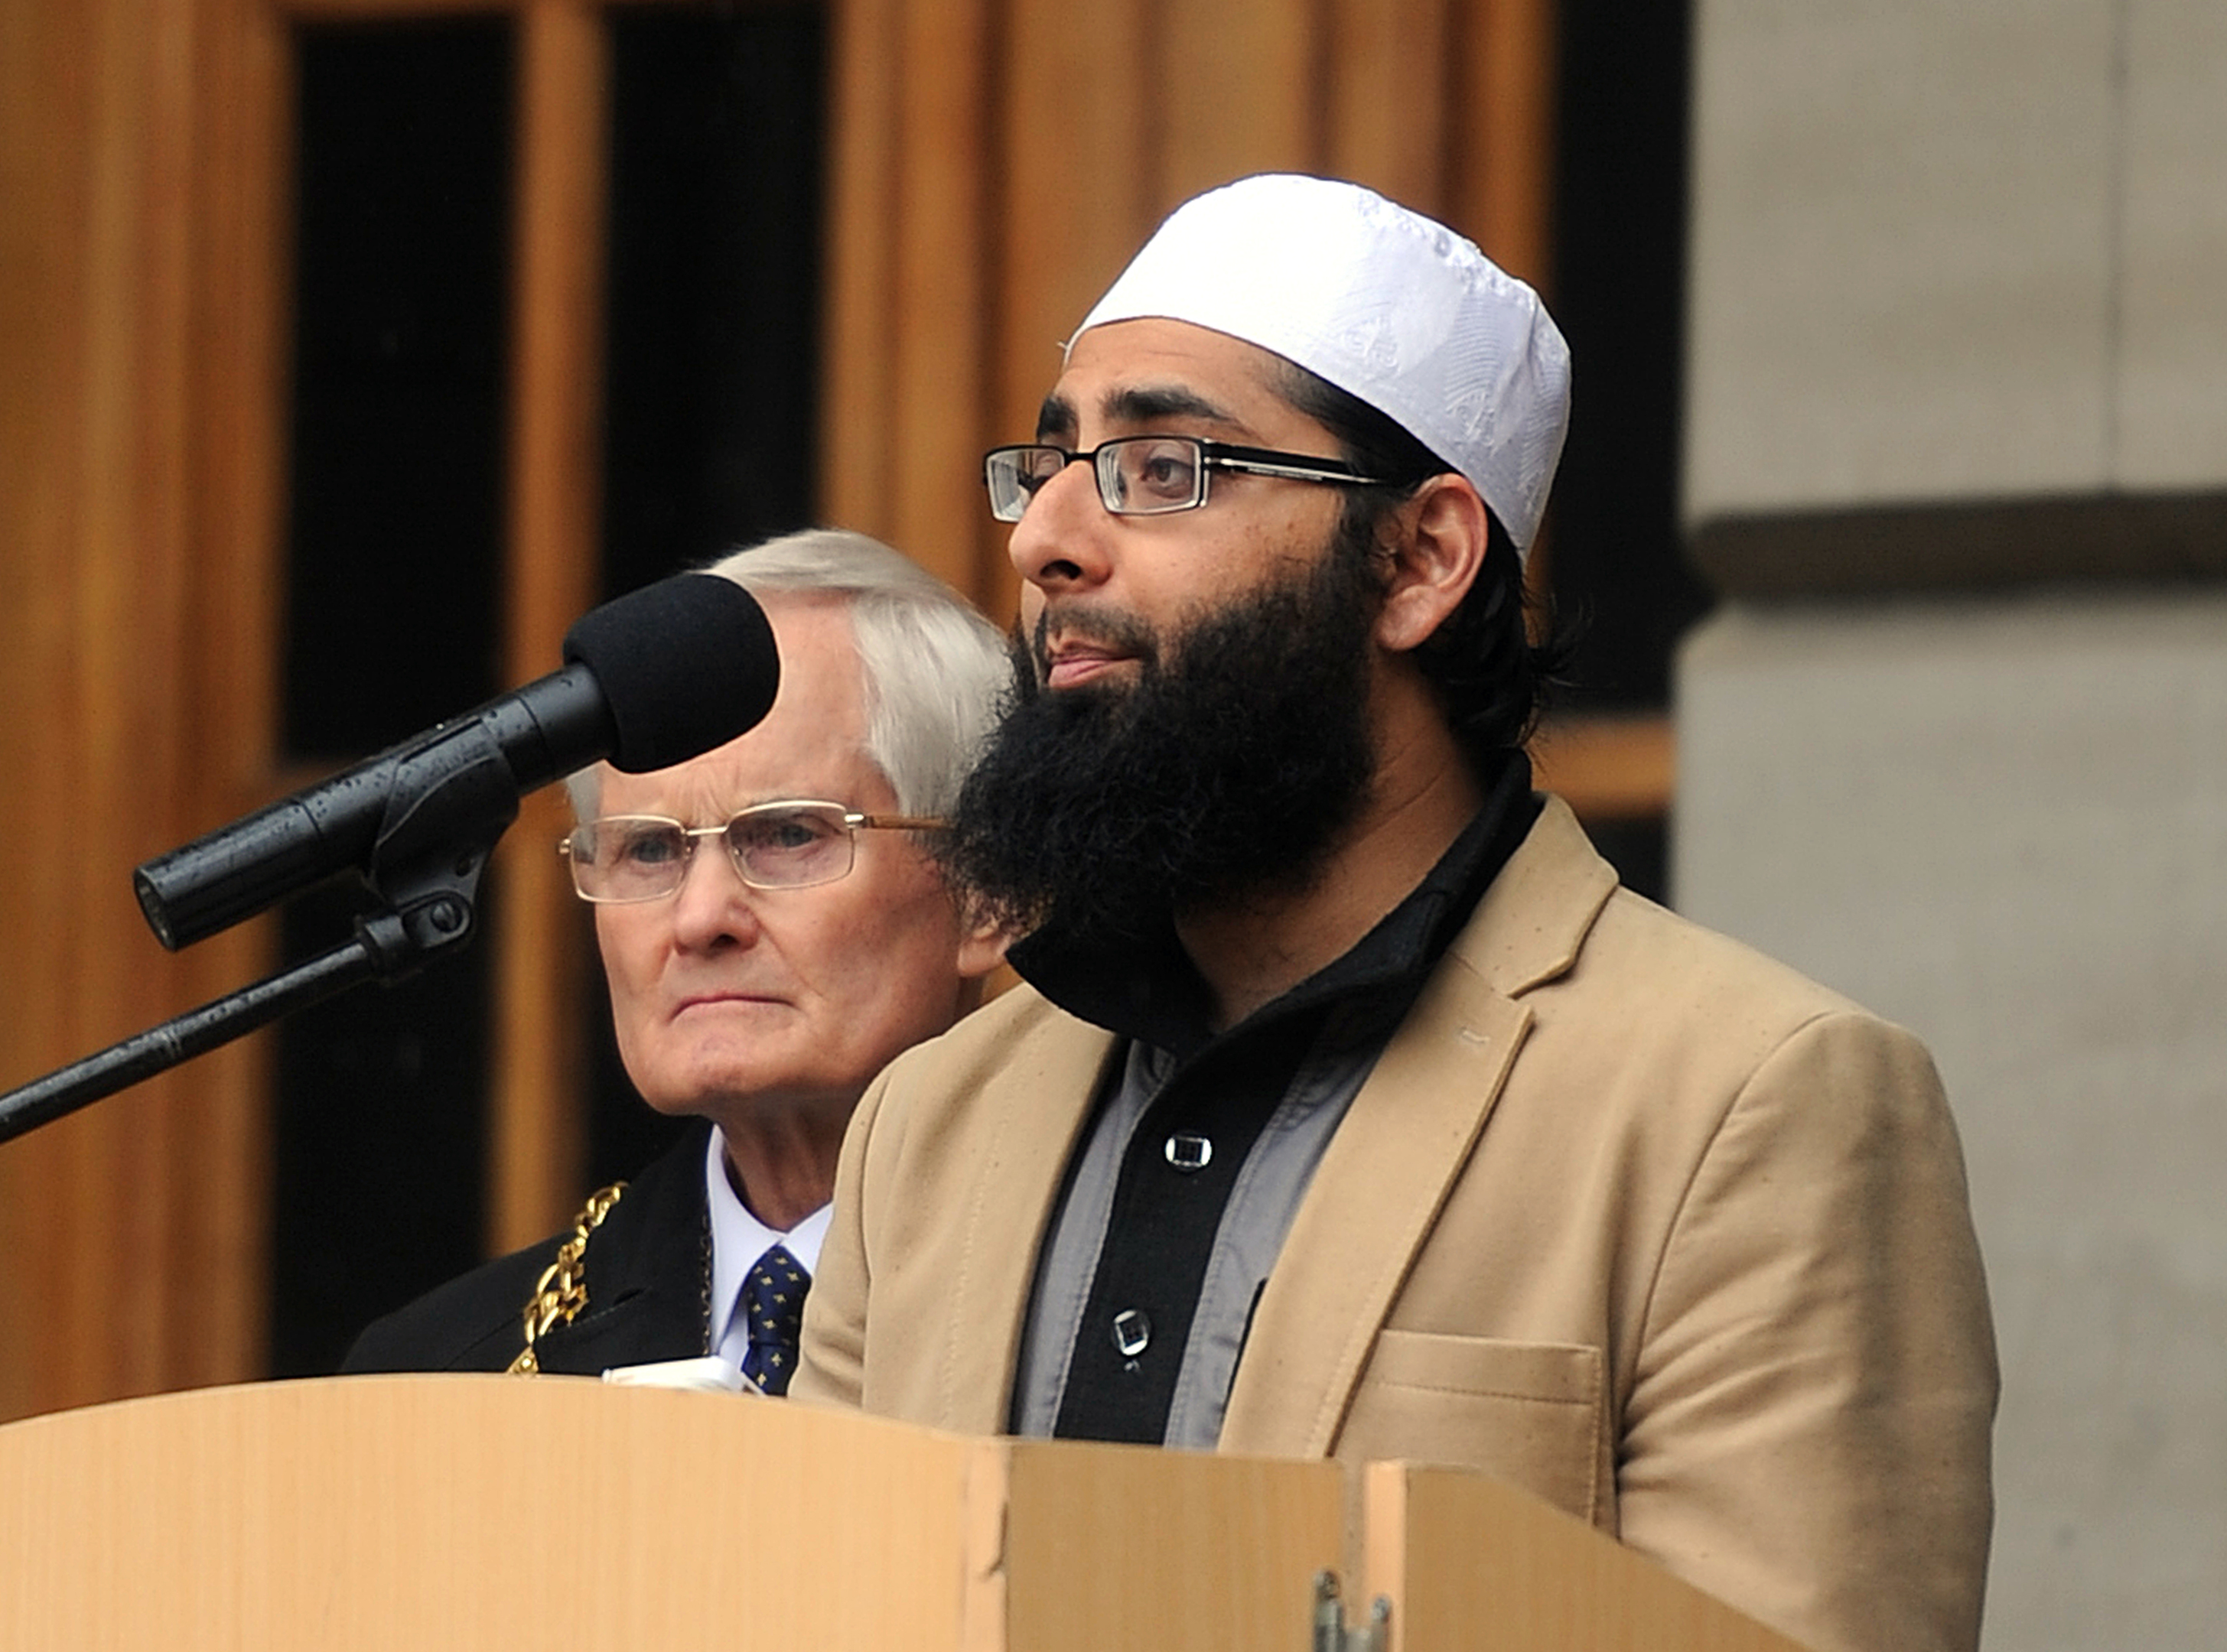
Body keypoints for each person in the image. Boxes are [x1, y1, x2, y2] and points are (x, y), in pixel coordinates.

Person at [795, 175, 1997, 1652]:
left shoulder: (1747, 1104)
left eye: (1162, 466)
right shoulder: (936, 1119)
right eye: (1048, 464)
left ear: (1422, 558)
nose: (1046, 537)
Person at [345, 528, 1008, 1390]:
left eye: (788, 835)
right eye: (649, 851)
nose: (699, 919)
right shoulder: (438, 1375)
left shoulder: (1123, 1315)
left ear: (993, 888)